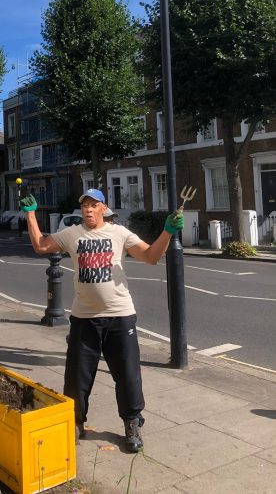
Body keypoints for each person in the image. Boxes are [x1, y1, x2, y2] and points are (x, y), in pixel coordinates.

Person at [20, 188, 184, 453]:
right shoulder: (72, 234)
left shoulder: (120, 233)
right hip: (84, 318)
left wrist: (167, 232)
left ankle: (132, 423)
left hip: (120, 316)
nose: (88, 209)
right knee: (77, 376)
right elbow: (41, 246)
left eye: (93, 204)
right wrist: (30, 215)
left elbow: (152, 257)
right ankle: (75, 422)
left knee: (128, 375)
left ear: (103, 208)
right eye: (84, 204)